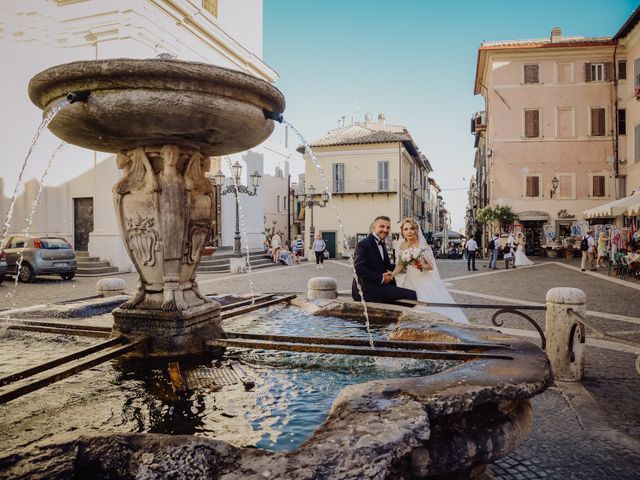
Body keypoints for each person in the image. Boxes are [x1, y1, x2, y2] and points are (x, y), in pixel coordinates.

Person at [392, 218, 468, 324]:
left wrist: (418, 261)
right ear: (402, 232)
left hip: (424, 280)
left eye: (412, 229)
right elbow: (400, 265)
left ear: (416, 230)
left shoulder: (423, 246)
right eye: (406, 229)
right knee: (410, 307)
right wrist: (392, 274)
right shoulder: (402, 246)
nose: (409, 231)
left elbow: (430, 266)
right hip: (409, 280)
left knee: (427, 307)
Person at [352, 215, 417, 304]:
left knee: (408, 293)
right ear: (374, 227)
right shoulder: (363, 244)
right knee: (412, 296)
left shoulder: (382, 244)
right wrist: (382, 277)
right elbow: (359, 270)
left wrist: (408, 264)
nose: (385, 230)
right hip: (365, 290)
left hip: (379, 286)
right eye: (382, 226)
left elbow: (387, 266)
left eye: (388, 227)